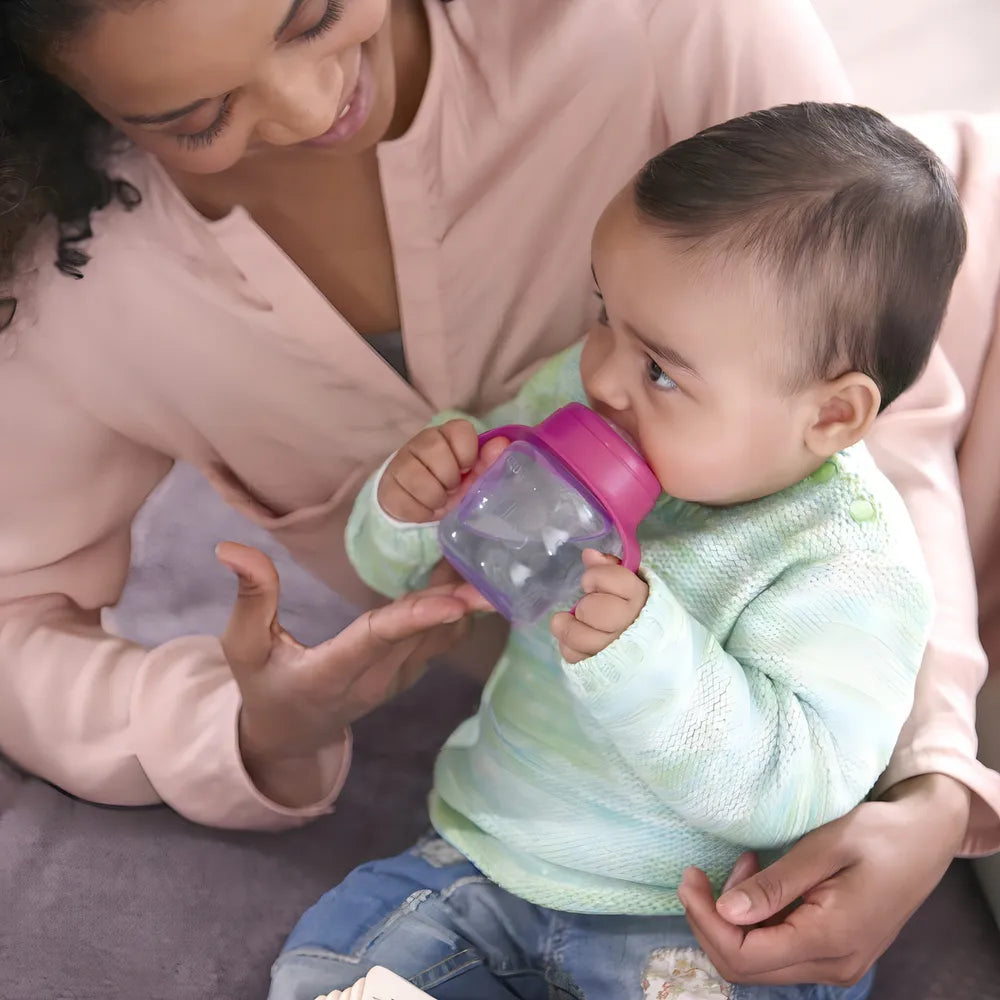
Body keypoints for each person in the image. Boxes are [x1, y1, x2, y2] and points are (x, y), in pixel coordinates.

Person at [0, 0, 995, 991]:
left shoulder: (670, 26)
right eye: (197, 116)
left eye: (315, 15)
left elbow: (887, 444)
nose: (308, 107)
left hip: (941, 445)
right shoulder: (71, 288)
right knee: (344, 961)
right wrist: (270, 701)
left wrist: (935, 782)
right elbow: (440, 557)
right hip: (510, 845)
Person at [266, 103, 960, 1000]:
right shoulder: (584, 398)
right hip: (489, 861)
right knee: (336, 964)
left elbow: (799, 787)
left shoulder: (851, 563)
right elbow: (435, 571)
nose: (598, 373)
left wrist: (643, 653)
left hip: (697, 921)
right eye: (605, 315)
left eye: (660, 369)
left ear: (830, 415)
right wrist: (413, 506)